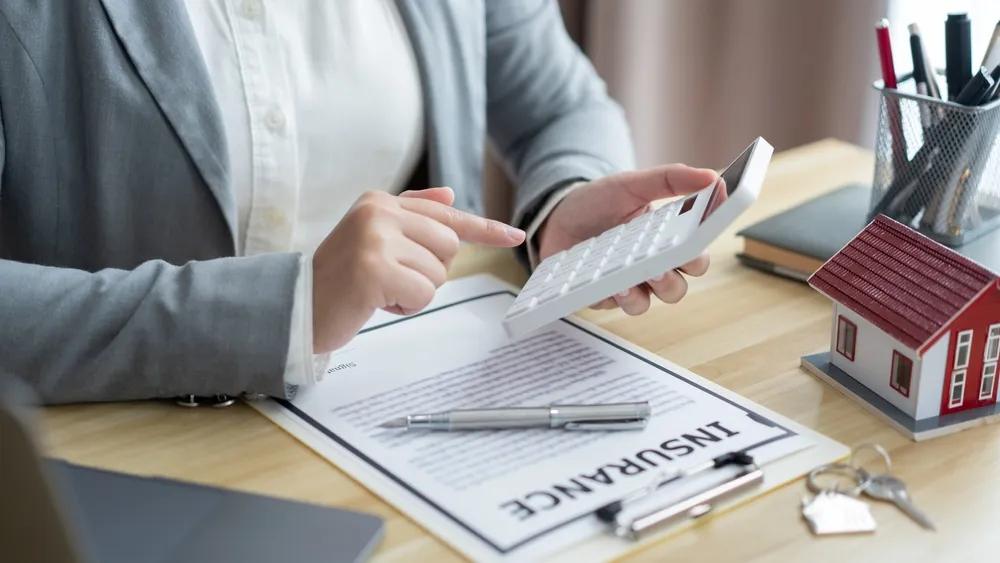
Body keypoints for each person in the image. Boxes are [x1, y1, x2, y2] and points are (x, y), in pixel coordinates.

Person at [0, 0, 717, 405]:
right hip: (120, 455)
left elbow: (561, 106)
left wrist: (561, 206)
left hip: (402, 427)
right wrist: (284, 310)